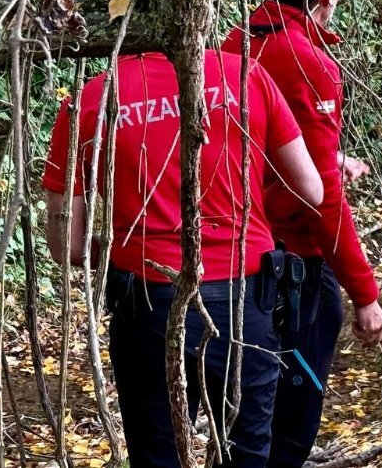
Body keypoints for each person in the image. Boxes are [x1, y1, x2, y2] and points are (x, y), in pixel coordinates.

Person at [42, 50, 323, 468]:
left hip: (148, 306)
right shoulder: (246, 75)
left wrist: (122, 242)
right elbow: (312, 191)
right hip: (245, 302)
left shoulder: (91, 98)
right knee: (247, 448)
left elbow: (70, 245)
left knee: (159, 451)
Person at [221, 0, 382, 467]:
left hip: (232, 258)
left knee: (243, 412)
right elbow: (322, 200)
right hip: (287, 264)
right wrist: (366, 293)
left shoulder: (237, 43)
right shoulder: (308, 61)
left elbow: (253, 142)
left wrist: (328, 159)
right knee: (288, 420)